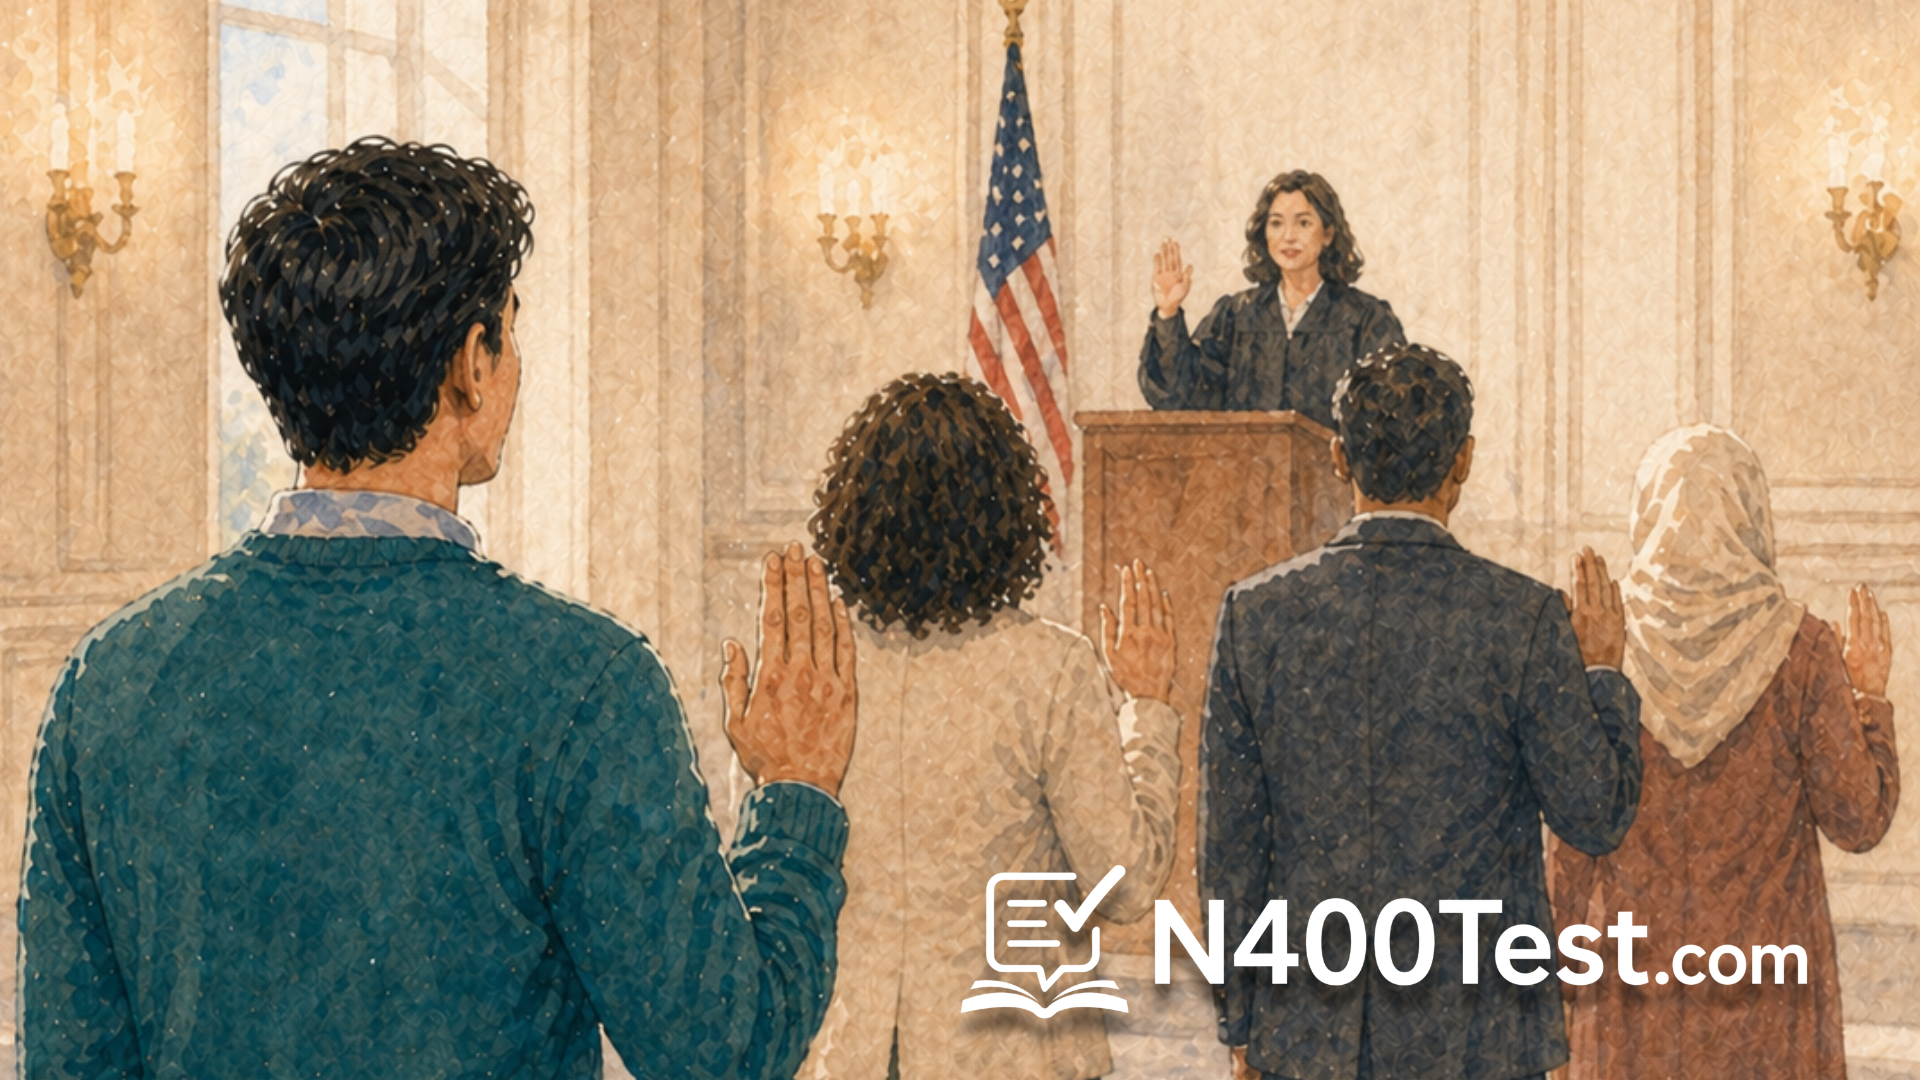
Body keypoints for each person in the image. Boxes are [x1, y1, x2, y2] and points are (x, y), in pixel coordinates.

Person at [20, 137, 858, 1080]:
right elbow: (726, 1050)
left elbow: (66, 1061)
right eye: (510, 326)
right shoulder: (583, 684)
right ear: (472, 360)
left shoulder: (107, 681)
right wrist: (795, 796)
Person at [1201, 343, 1644, 1080]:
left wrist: (1241, 1017)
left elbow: (1232, 854)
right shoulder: (1522, 618)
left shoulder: (1256, 614)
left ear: (1339, 458)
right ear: (1464, 460)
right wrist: (1601, 671)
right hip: (1482, 1035)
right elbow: (1595, 815)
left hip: (1310, 1030)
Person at [796, 373, 1183, 1080]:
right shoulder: (1051, 668)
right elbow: (1124, 885)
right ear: (1005, 509)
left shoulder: (814, 662)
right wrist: (1149, 711)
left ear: (857, 508)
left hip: (845, 1051)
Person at [1549, 425, 1901, 1080]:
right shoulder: (1805, 648)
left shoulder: (1601, 638)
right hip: (1764, 997)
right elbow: (1857, 819)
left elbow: (1569, 847)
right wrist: (1869, 699)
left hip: (1631, 996)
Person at [1138, 170, 1405, 427]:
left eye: (1303, 223)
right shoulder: (1236, 314)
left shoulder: (1365, 318)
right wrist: (1168, 313)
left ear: (1327, 234)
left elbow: (1387, 417)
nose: (1288, 236)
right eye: (1276, 223)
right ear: (1264, 234)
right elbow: (1177, 396)